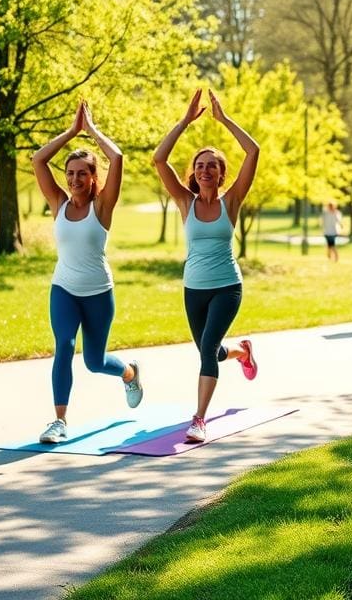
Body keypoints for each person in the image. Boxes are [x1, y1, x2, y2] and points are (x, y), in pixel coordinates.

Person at [31, 101, 143, 444]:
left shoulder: (102, 206)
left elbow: (118, 158)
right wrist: (71, 131)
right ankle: (59, 421)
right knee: (63, 345)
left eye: (82, 173)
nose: (75, 178)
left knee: (94, 362)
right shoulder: (58, 204)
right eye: (70, 172)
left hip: (98, 293)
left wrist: (91, 129)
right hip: (63, 289)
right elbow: (37, 159)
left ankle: (128, 373)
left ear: (94, 177)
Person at [153, 88, 260, 444]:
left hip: (227, 286)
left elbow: (253, 151)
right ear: (194, 173)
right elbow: (159, 159)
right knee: (208, 351)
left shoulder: (232, 201)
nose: (204, 170)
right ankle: (242, 352)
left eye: (211, 165)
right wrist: (184, 121)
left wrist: (224, 119)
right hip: (193, 289)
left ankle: (199, 419)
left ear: (220, 172)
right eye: (199, 165)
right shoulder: (185, 202)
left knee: (208, 347)